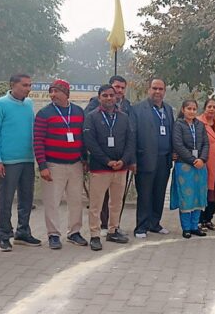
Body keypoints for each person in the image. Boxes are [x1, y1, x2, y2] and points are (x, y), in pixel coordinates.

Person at [0, 73, 41, 251]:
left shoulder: (29, 104)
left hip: (27, 159)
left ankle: (23, 232)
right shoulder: (0, 104)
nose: (28, 88)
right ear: (13, 85)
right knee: (6, 200)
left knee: (27, 198)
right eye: (25, 85)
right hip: (8, 161)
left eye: (30, 85)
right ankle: (4, 234)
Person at [33, 79, 88, 250]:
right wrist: (42, 166)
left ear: (66, 93)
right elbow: (38, 141)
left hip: (75, 164)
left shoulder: (79, 112)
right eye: (51, 91)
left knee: (76, 200)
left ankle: (74, 232)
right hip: (53, 165)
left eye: (56, 91)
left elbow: (83, 139)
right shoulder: (44, 113)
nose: (53, 95)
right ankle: (53, 234)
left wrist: (85, 160)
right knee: (52, 201)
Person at [83, 84, 134, 251]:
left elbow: (130, 141)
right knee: (96, 204)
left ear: (116, 97)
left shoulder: (124, 117)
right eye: (105, 95)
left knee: (116, 203)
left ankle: (113, 230)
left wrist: (124, 160)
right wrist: (107, 161)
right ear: (99, 98)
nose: (109, 98)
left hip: (120, 168)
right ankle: (95, 235)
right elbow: (90, 142)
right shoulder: (92, 117)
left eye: (111, 95)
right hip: (100, 168)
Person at [130, 78, 174, 238]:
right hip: (145, 159)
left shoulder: (168, 109)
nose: (157, 92)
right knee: (145, 194)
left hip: (164, 159)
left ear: (164, 91)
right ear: (148, 89)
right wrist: (132, 160)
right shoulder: (137, 110)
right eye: (154, 88)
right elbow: (132, 136)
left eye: (161, 89)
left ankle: (154, 223)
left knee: (159, 193)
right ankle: (141, 226)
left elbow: (171, 133)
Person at [171, 99, 210, 238]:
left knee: (199, 196)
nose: (192, 111)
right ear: (183, 110)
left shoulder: (200, 125)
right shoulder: (178, 125)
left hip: (200, 166)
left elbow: (206, 144)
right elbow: (178, 145)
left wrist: (203, 159)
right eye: (189, 109)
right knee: (186, 197)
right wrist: (193, 160)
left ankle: (195, 226)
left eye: (194, 109)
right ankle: (186, 228)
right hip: (184, 166)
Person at [198, 98, 215, 231]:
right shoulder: (198, 121)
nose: (212, 109)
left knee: (214, 191)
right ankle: (199, 220)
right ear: (204, 108)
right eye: (209, 106)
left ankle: (209, 219)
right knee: (203, 190)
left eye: (214, 107)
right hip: (204, 160)